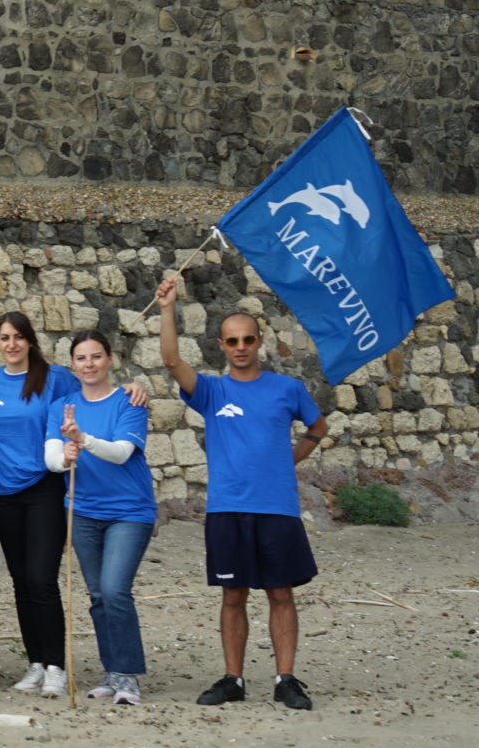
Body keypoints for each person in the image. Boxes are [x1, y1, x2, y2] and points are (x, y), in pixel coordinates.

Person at [156, 278, 328, 709]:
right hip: (228, 508)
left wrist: (288, 460)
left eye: (248, 339)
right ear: (221, 345)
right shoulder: (213, 391)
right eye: (232, 341)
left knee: (281, 593)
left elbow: (318, 429)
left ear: (260, 341)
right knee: (233, 595)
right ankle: (233, 678)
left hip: (278, 508)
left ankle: (285, 679)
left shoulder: (288, 389)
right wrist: (167, 308)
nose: (241, 347)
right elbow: (172, 359)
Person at [0, 311, 82, 696]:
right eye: (4, 338)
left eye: (18, 337)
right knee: (20, 581)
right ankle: (35, 662)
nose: (12, 344)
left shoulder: (56, 379)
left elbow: (94, 387)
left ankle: (56, 665)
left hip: (45, 487)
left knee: (41, 579)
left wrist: (135, 388)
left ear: (30, 340)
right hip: (2, 492)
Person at [56, 330, 155, 706]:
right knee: (98, 595)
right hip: (82, 509)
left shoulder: (130, 400)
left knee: (115, 590)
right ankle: (111, 671)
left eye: (96, 357)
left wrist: (83, 439)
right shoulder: (64, 406)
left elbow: (122, 452)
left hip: (130, 510)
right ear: (72, 365)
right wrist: (64, 456)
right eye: (81, 359)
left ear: (110, 359)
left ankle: (128, 675)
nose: (89, 365)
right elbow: (53, 457)